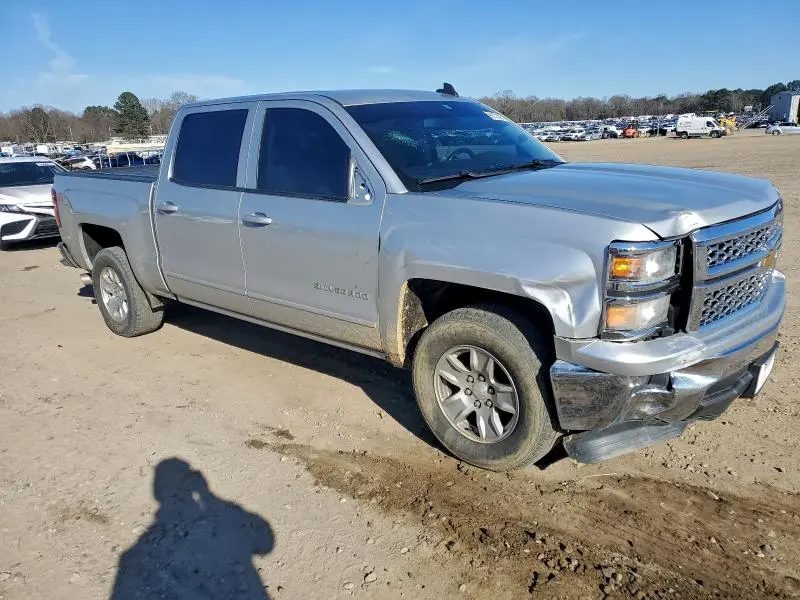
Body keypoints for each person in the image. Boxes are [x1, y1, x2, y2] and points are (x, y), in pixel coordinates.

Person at [110, 458, 273, 599]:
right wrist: (208, 497)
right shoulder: (134, 557)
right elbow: (265, 543)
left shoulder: (133, 557)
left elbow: (265, 543)